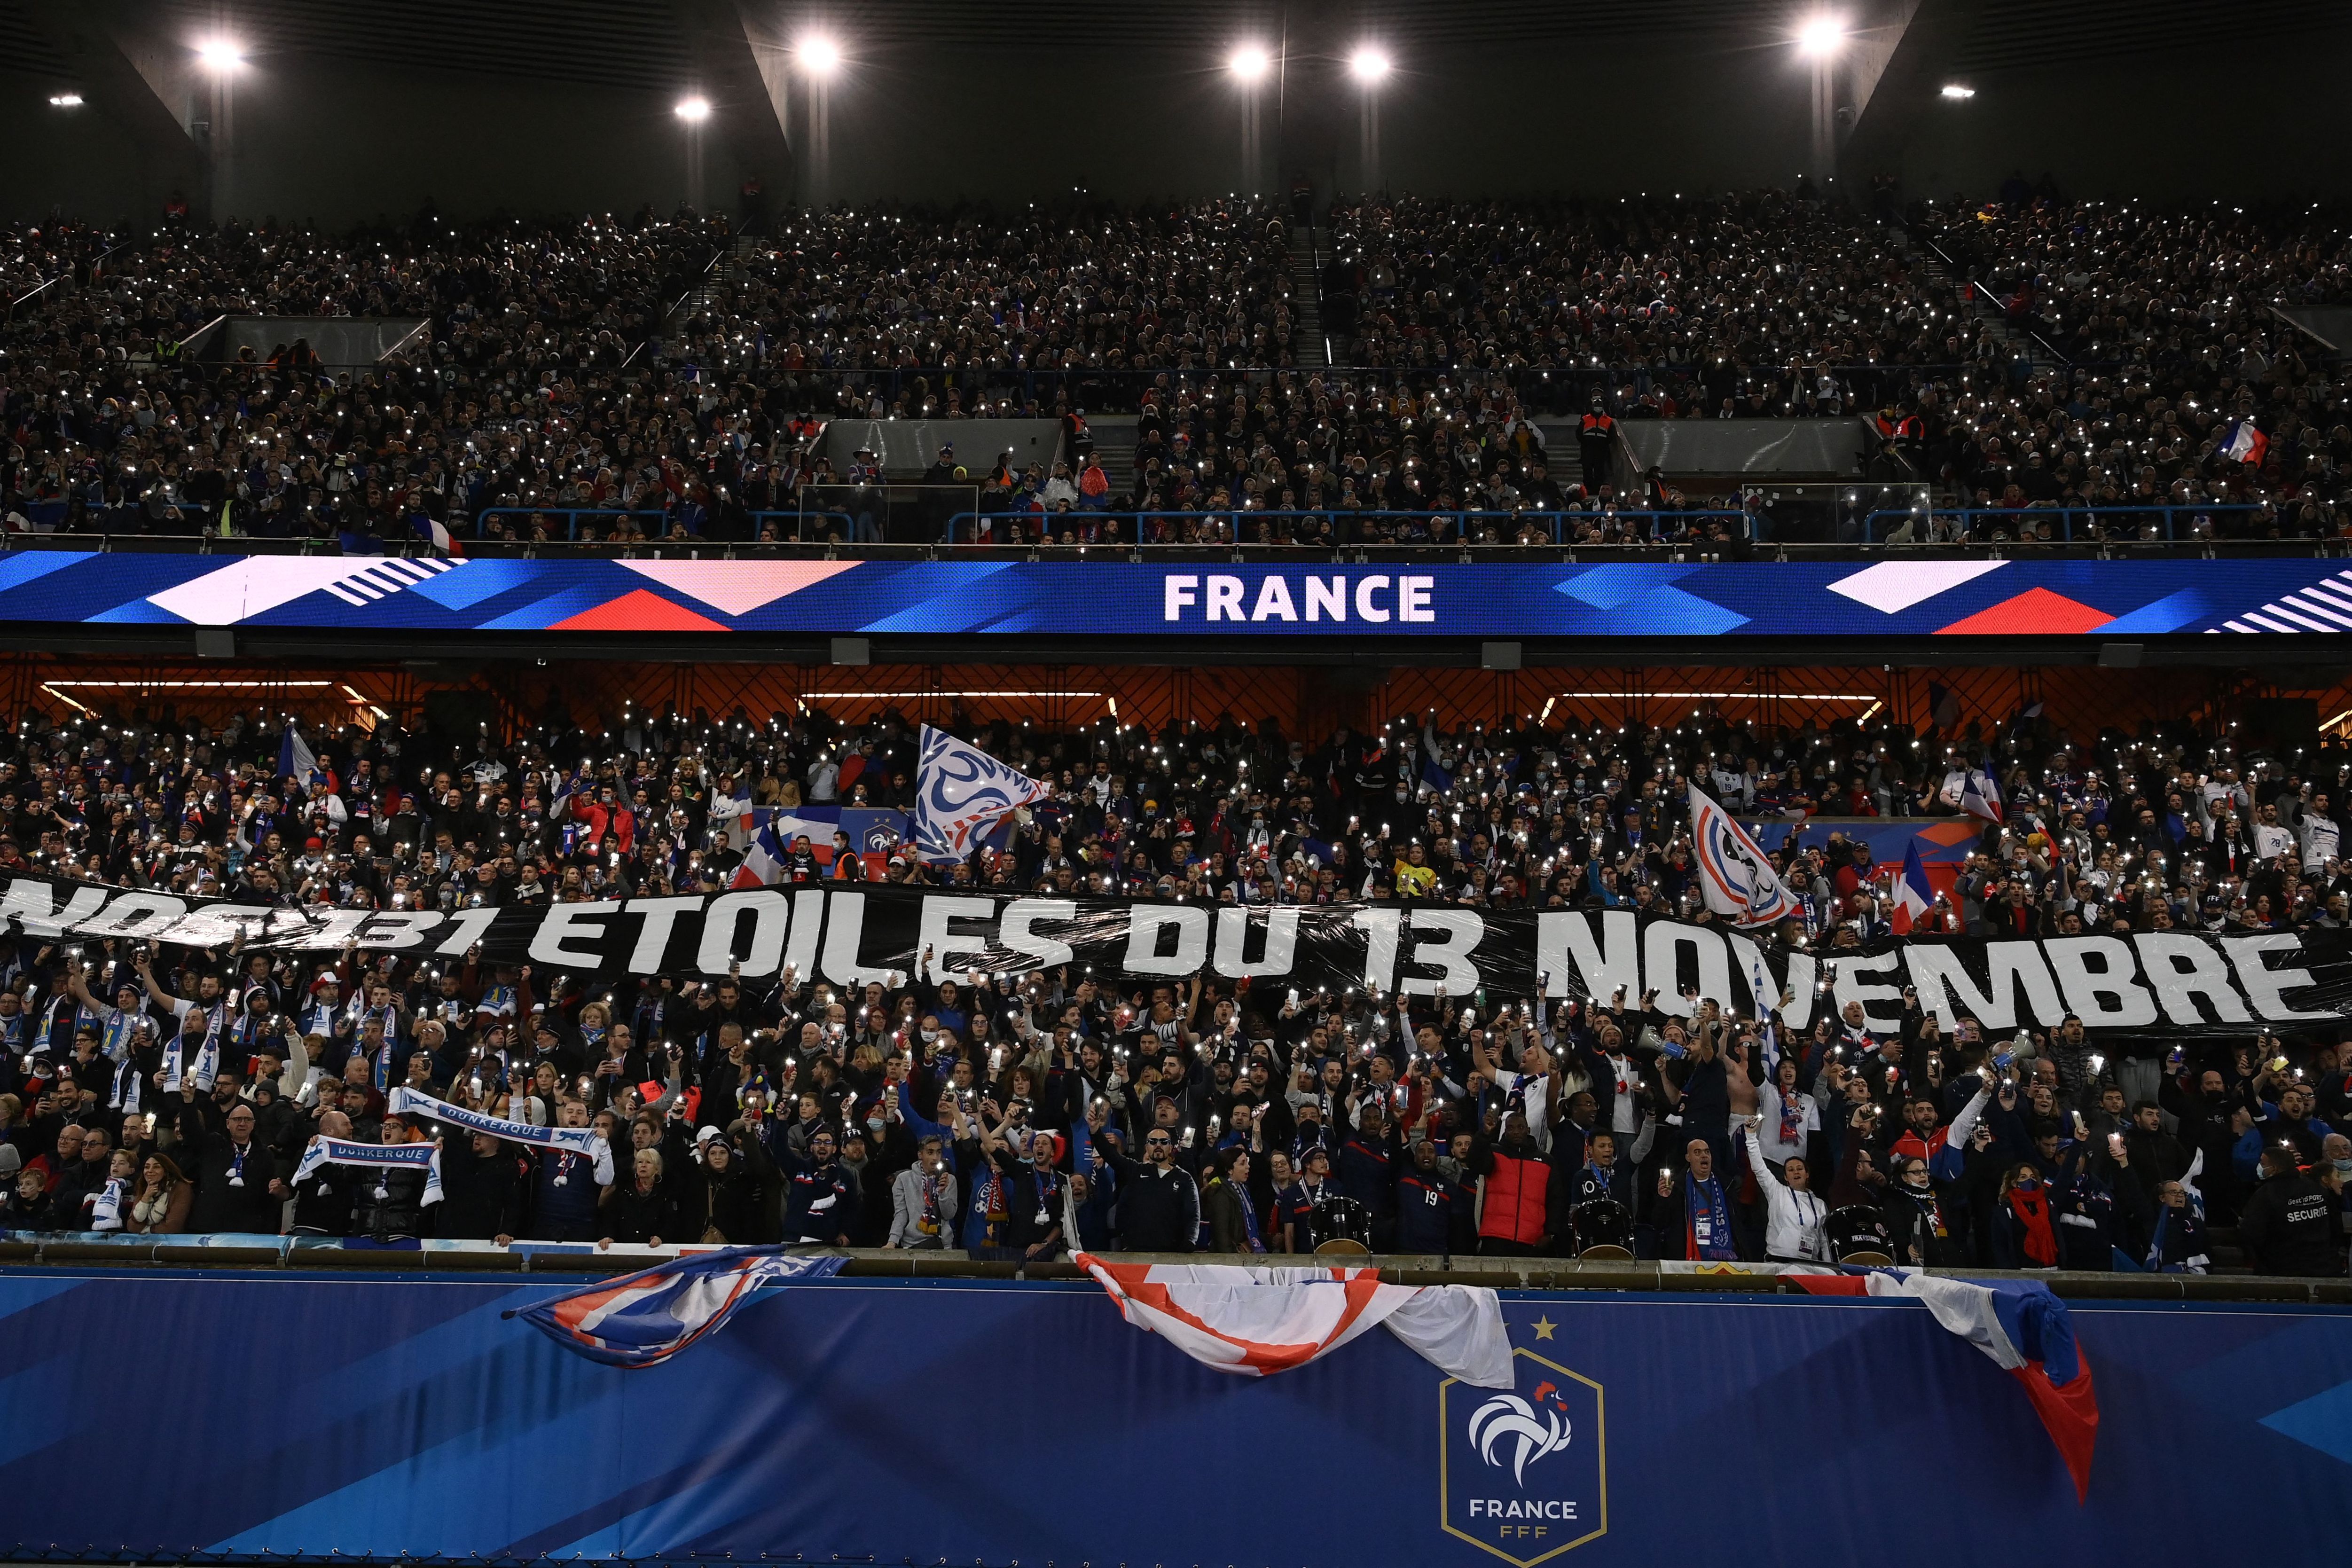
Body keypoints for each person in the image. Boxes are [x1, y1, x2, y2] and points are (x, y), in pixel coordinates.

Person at [2238, 1145, 2340, 1276]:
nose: (2260, 1166)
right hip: (2325, 1266)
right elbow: (2336, 1226)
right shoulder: (2316, 1188)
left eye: (2263, 1163)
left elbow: (2252, 1233)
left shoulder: (2266, 1195)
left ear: (2274, 1169)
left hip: (2282, 1270)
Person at [1743, 1116, 1828, 1262]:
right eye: (1791, 1170)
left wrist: (1830, 1266)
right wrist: (1751, 1136)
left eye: (1800, 1169)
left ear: (1807, 1174)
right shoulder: (1777, 1192)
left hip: (1809, 1264)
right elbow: (1759, 1168)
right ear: (1786, 1177)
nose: (1796, 1172)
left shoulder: (1820, 1205)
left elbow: (1825, 1241)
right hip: (1779, 1261)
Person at [1108, 1123, 1199, 1252]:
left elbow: (1193, 1215)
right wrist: (1094, 1131)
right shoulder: (1136, 1172)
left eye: (1164, 1142)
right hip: (1136, 1252)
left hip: (1172, 1254)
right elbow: (1112, 1157)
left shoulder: (1184, 1178)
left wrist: (1190, 1242)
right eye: (1153, 1141)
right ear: (1146, 1147)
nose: (1158, 1145)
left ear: (1171, 1147)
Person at [1657, 1137, 1740, 1262]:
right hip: (1689, 1260)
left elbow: (1738, 1225)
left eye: (1707, 1152)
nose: (1704, 1156)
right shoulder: (1679, 1188)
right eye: (1697, 1152)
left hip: (1722, 1261)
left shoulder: (1726, 1186)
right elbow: (1660, 1223)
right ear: (1688, 1158)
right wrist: (1665, 1199)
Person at [886, 1132, 959, 1249]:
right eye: (930, 1152)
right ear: (920, 1155)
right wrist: (892, 1242)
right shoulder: (904, 1179)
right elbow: (901, 1214)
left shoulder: (949, 1180)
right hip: (913, 1245)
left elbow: (949, 1214)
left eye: (938, 1152)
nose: (935, 1157)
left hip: (943, 1245)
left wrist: (943, 1193)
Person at [1204, 1146, 1266, 1253]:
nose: (1248, 1167)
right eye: (1243, 1163)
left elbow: (1247, 1226)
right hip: (1229, 1258)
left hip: (1242, 1252)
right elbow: (1221, 1232)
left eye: (1247, 1162)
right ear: (1230, 1170)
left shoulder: (1243, 1189)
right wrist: (1230, 1258)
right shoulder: (1219, 1191)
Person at [125, 1152, 192, 1234]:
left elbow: (173, 1227)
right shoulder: (144, 1188)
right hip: (146, 1240)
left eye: (156, 1167)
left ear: (166, 1171)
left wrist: (147, 1230)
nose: (150, 1171)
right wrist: (146, 1198)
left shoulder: (181, 1188)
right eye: (147, 1167)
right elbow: (132, 1226)